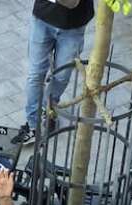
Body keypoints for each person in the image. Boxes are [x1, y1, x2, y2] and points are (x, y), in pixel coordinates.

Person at [20, 0, 94, 143]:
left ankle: (47, 110)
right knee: (35, 75)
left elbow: (72, 3)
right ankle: (33, 124)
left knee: (61, 76)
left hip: (74, 25)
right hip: (43, 18)